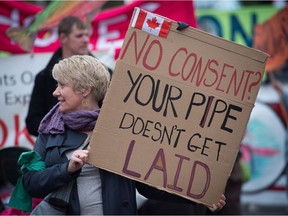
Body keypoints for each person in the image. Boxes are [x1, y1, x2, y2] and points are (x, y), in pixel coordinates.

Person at [20, 55, 226, 215]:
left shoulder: (122, 128)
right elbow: (31, 183)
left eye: (62, 85)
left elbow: (149, 185)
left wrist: (200, 197)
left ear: (85, 90)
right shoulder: (50, 130)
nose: (55, 92)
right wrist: (67, 169)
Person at [25, 16, 91, 137]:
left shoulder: (105, 74)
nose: (86, 40)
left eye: (87, 35)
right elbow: (33, 123)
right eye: (79, 35)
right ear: (63, 38)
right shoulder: (44, 78)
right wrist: (64, 131)